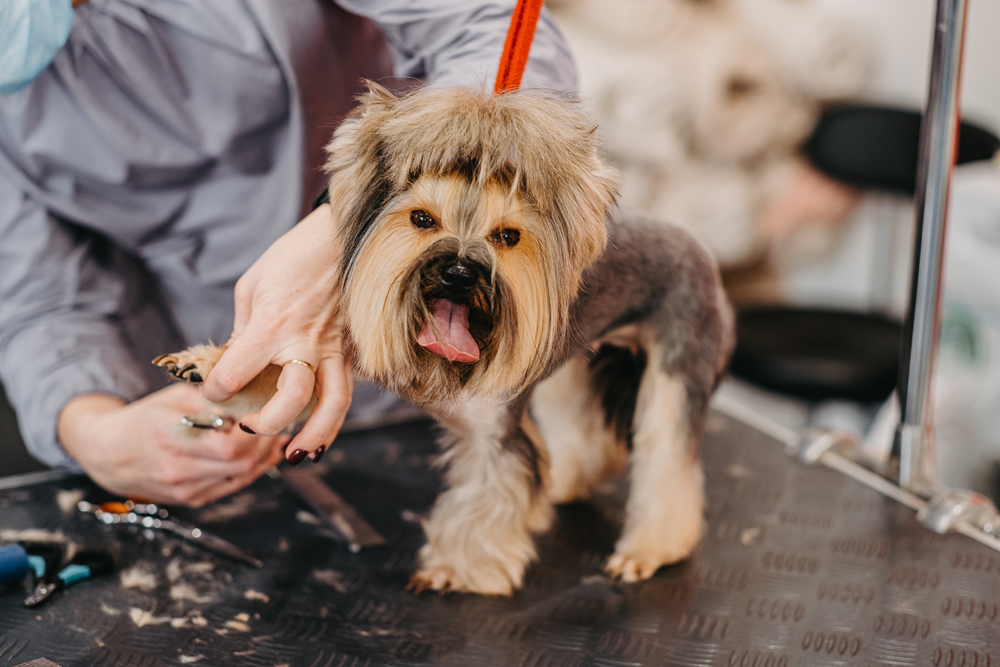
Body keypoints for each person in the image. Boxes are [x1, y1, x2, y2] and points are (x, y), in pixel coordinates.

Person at [0, 0, 576, 506]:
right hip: (245, 404)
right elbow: (38, 301)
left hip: (452, 369)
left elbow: (497, 32)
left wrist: (349, 229)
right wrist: (96, 433)